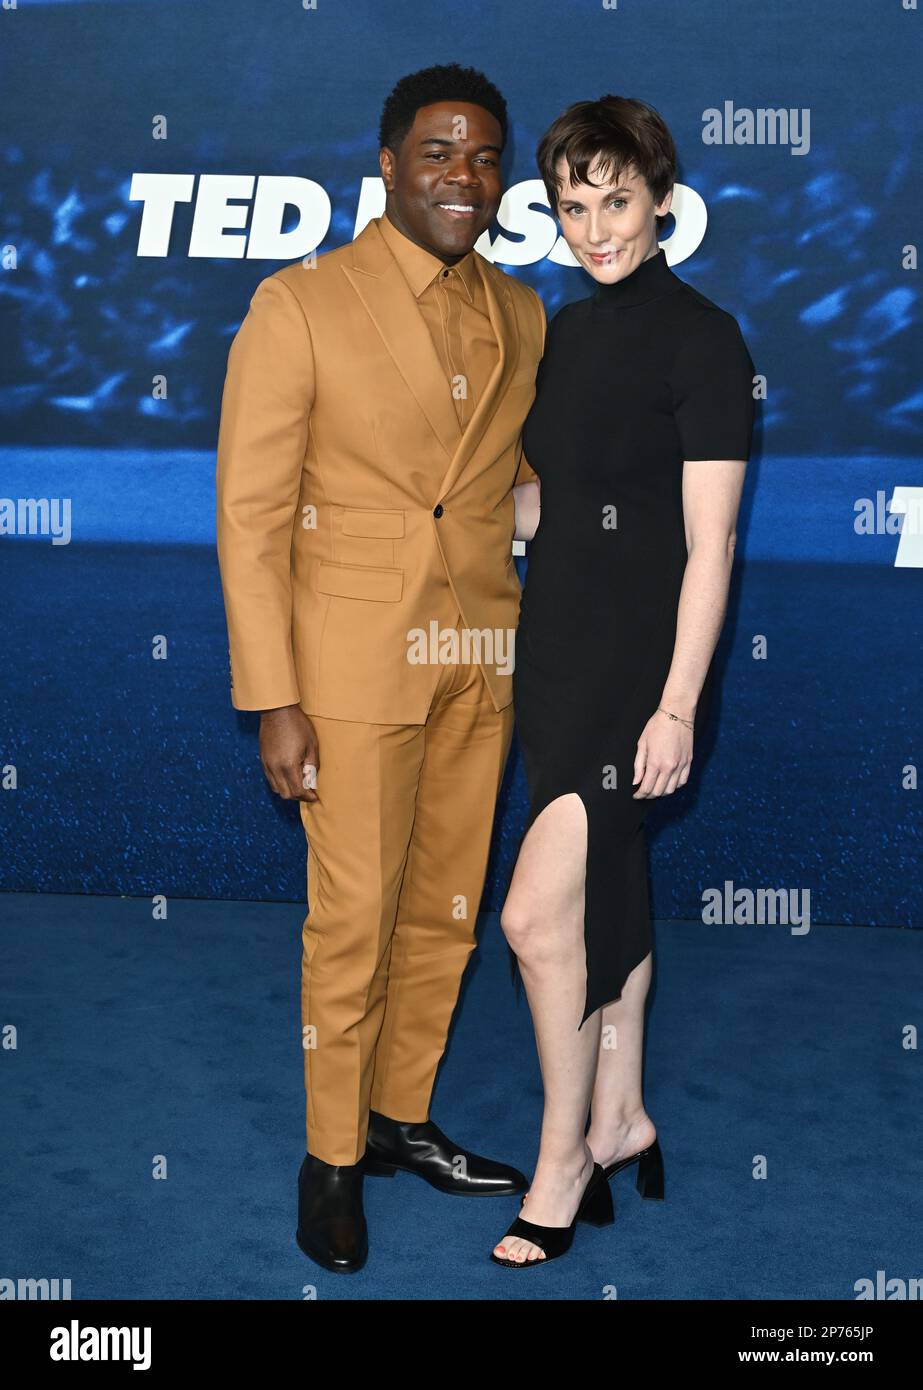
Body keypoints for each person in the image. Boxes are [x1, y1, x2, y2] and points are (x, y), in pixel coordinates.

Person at [216, 63, 547, 1274]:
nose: (463, 176)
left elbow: (503, 490)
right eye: (437, 152)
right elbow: (251, 515)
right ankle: (330, 1157)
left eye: (483, 157)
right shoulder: (300, 302)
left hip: (477, 657)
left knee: (447, 910)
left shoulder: (521, 313)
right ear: (386, 165)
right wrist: (272, 699)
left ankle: (401, 1118)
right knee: (349, 918)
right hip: (349, 667)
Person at [492, 95, 756, 1267]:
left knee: (534, 919)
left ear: (661, 198)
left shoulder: (703, 339)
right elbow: (561, 500)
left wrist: (675, 704)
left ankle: (559, 1156)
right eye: (570, 206)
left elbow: (710, 544)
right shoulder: (568, 329)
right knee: (613, 885)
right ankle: (620, 1114)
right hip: (552, 649)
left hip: (633, 671)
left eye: (613, 200)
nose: (594, 228)